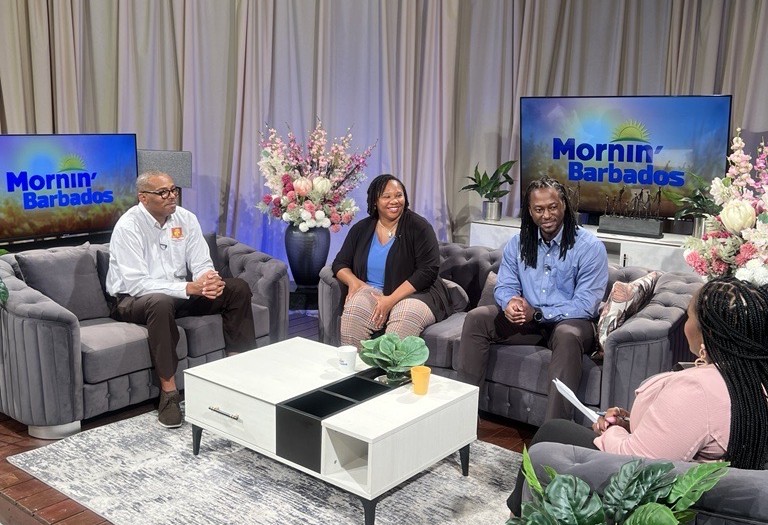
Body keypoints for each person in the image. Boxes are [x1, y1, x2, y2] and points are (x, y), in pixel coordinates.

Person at [506, 276, 768, 515]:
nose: (684, 325)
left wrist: (612, 431)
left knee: (553, 432)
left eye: (688, 317)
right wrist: (630, 423)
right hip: (695, 479)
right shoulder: (749, 376)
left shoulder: (697, 390)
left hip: (652, 492)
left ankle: (517, 515)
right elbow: (688, 432)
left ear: (706, 333)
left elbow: (639, 462)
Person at [106, 171, 257, 429]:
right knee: (160, 302)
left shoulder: (185, 218)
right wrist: (189, 287)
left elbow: (201, 262)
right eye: (162, 192)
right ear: (143, 197)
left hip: (177, 294)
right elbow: (137, 284)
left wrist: (208, 280)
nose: (171, 196)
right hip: (132, 300)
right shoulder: (128, 227)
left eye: (173, 190)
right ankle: (169, 395)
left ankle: (236, 375)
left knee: (237, 289)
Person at [456, 176, 609, 421]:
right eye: (539, 209)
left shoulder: (589, 247)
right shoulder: (518, 243)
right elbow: (505, 285)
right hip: (529, 322)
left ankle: (554, 431)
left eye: (552, 207)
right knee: (477, 319)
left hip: (571, 321)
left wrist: (538, 313)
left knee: (567, 335)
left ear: (564, 205)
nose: (546, 215)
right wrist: (510, 303)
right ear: (530, 211)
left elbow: (586, 304)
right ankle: (461, 417)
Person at [331, 174, 452, 348]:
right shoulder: (362, 229)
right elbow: (340, 263)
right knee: (354, 311)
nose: (394, 201)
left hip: (417, 295)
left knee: (403, 320)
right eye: (386, 196)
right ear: (375, 201)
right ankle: (356, 366)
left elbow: (428, 271)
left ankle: (390, 367)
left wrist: (390, 300)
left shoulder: (419, 227)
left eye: (398, 195)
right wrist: (354, 283)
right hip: (373, 292)